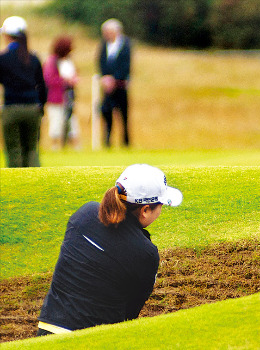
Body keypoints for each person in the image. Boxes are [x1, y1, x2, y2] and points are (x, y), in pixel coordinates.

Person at [37, 164, 183, 336]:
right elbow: (130, 314)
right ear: (145, 210)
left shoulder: (85, 213)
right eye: (160, 205)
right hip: (92, 340)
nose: (160, 210)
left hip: (47, 330)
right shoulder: (146, 253)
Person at [0, 16, 47, 167]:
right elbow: (42, 85)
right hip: (32, 108)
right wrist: (41, 106)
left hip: (12, 108)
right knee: (32, 149)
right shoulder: (32, 58)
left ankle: (18, 187)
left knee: (14, 150)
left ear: (7, 36)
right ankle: (35, 184)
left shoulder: (4, 58)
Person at [98, 18, 132, 147]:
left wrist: (115, 79)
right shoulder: (104, 45)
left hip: (120, 86)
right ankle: (107, 141)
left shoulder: (125, 44)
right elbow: (100, 62)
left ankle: (126, 142)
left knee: (123, 114)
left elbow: (126, 65)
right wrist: (105, 78)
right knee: (106, 112)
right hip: (107, 87)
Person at [43, 35, 81, 150]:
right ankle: (55, 146)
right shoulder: (52, 61)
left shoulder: (68, 61)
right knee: (56, 122)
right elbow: (48, 79)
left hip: (68, 96)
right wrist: (65, 81)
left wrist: (74, 79)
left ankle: (73, 145)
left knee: (71, 122)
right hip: (56, 97)